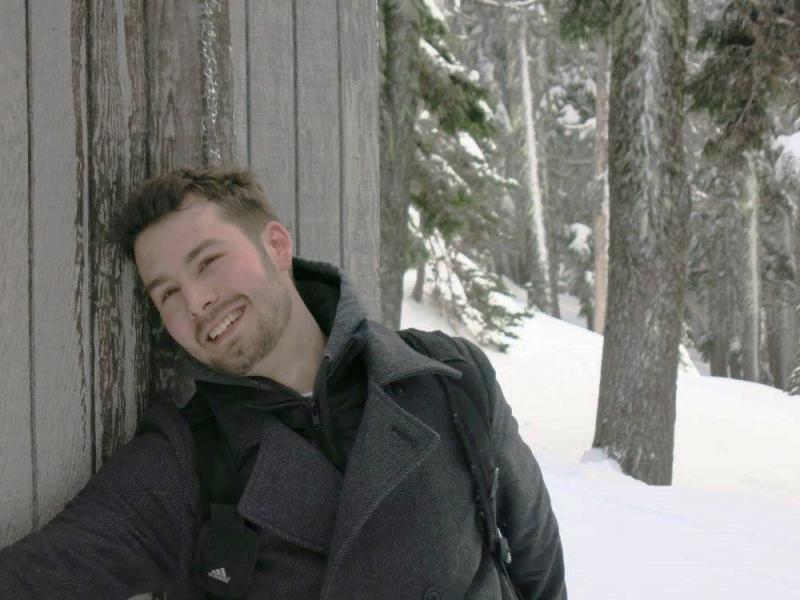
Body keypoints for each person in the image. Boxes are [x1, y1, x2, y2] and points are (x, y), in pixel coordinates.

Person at [0, 166, 566, 599]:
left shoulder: (450, 382)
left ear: (275, 246)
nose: (197, 301)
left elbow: (536, 560)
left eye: (208, 261)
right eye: (167, 292)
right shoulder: (185, 465)